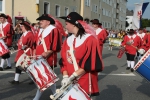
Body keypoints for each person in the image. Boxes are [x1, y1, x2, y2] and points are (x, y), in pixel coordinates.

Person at [59, 12, 104, 97]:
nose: (65, 26)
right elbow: (64, 62)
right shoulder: (67, 41)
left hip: (85, 79)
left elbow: (89, 64)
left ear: (74, 24)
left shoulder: (90, 40)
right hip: (70, 80)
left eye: (66, 24)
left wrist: (72, 76)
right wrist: (65, 77)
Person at [33, 14, 62, 100]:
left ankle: (37, 98)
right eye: (40, 21)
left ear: (48, 22)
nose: (40, 22)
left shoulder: (53, 30)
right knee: (47, 78)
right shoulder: (40, 30)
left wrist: (48, 52)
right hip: (39, 57)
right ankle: (56, 95)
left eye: (42, 20)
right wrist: (35, 52)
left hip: (48, 58)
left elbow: (56, 44)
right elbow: (37, 43)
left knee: (44, 78)